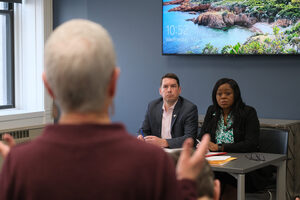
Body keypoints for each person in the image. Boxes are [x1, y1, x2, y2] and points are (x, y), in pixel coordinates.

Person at [0, 19, 210, 200]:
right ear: (113, 83)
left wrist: (17, 170)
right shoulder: (152, 164)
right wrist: (185, 184)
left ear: (48, 86)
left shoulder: (19, 165)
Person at [197, 78, 261, 200]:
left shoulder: (248, 112)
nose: (223, 97)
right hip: (216, 164)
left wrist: (220, 147)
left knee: (215, 180)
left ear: (236, 95)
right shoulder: (212, 111)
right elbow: (202, 136)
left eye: (228, 93)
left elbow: (251, 144)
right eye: (219, 94)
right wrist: (204, 144)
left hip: (243, 166)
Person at [138, 73, 198, 149]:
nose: (169, 90)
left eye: (173, 86)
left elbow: (190, 138)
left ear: (179, 90)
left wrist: (164, 142)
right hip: (157, 151)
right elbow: (143, 130)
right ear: (160, 91)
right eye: (165, 87)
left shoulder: (189, 108)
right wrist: (141, 136)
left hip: (178, 152)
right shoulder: (152, 106)